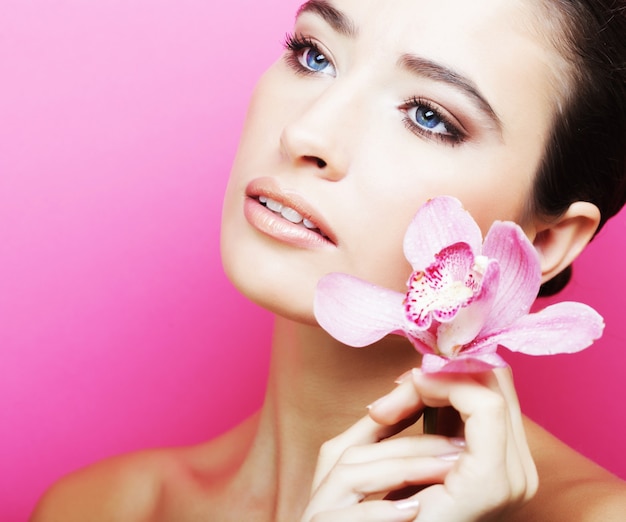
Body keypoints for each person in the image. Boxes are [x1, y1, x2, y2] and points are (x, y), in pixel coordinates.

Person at [31, 0, 626, 520]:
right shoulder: (101, 509)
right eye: (314, 54)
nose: (306, 133)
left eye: (428, 116)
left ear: (545, 243)